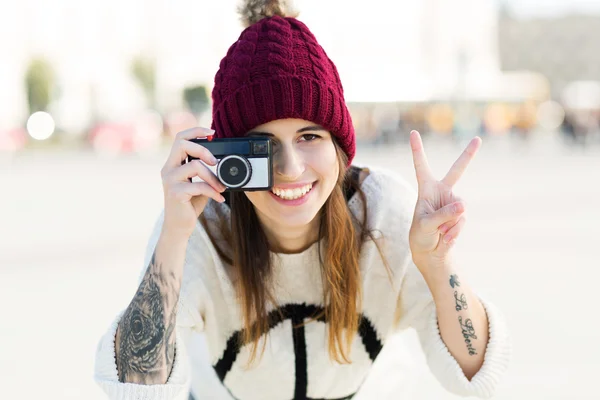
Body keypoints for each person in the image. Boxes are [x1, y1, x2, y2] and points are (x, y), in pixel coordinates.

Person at [94, 1, 510, 399]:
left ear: (340, 148)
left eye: (309, 136)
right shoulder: (201, 224)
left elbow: (474, 375)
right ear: (227, 157)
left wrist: (438, 266)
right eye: (261, 145)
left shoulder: (383, 211)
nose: (290, 169)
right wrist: (174, 236)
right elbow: (137, 388)